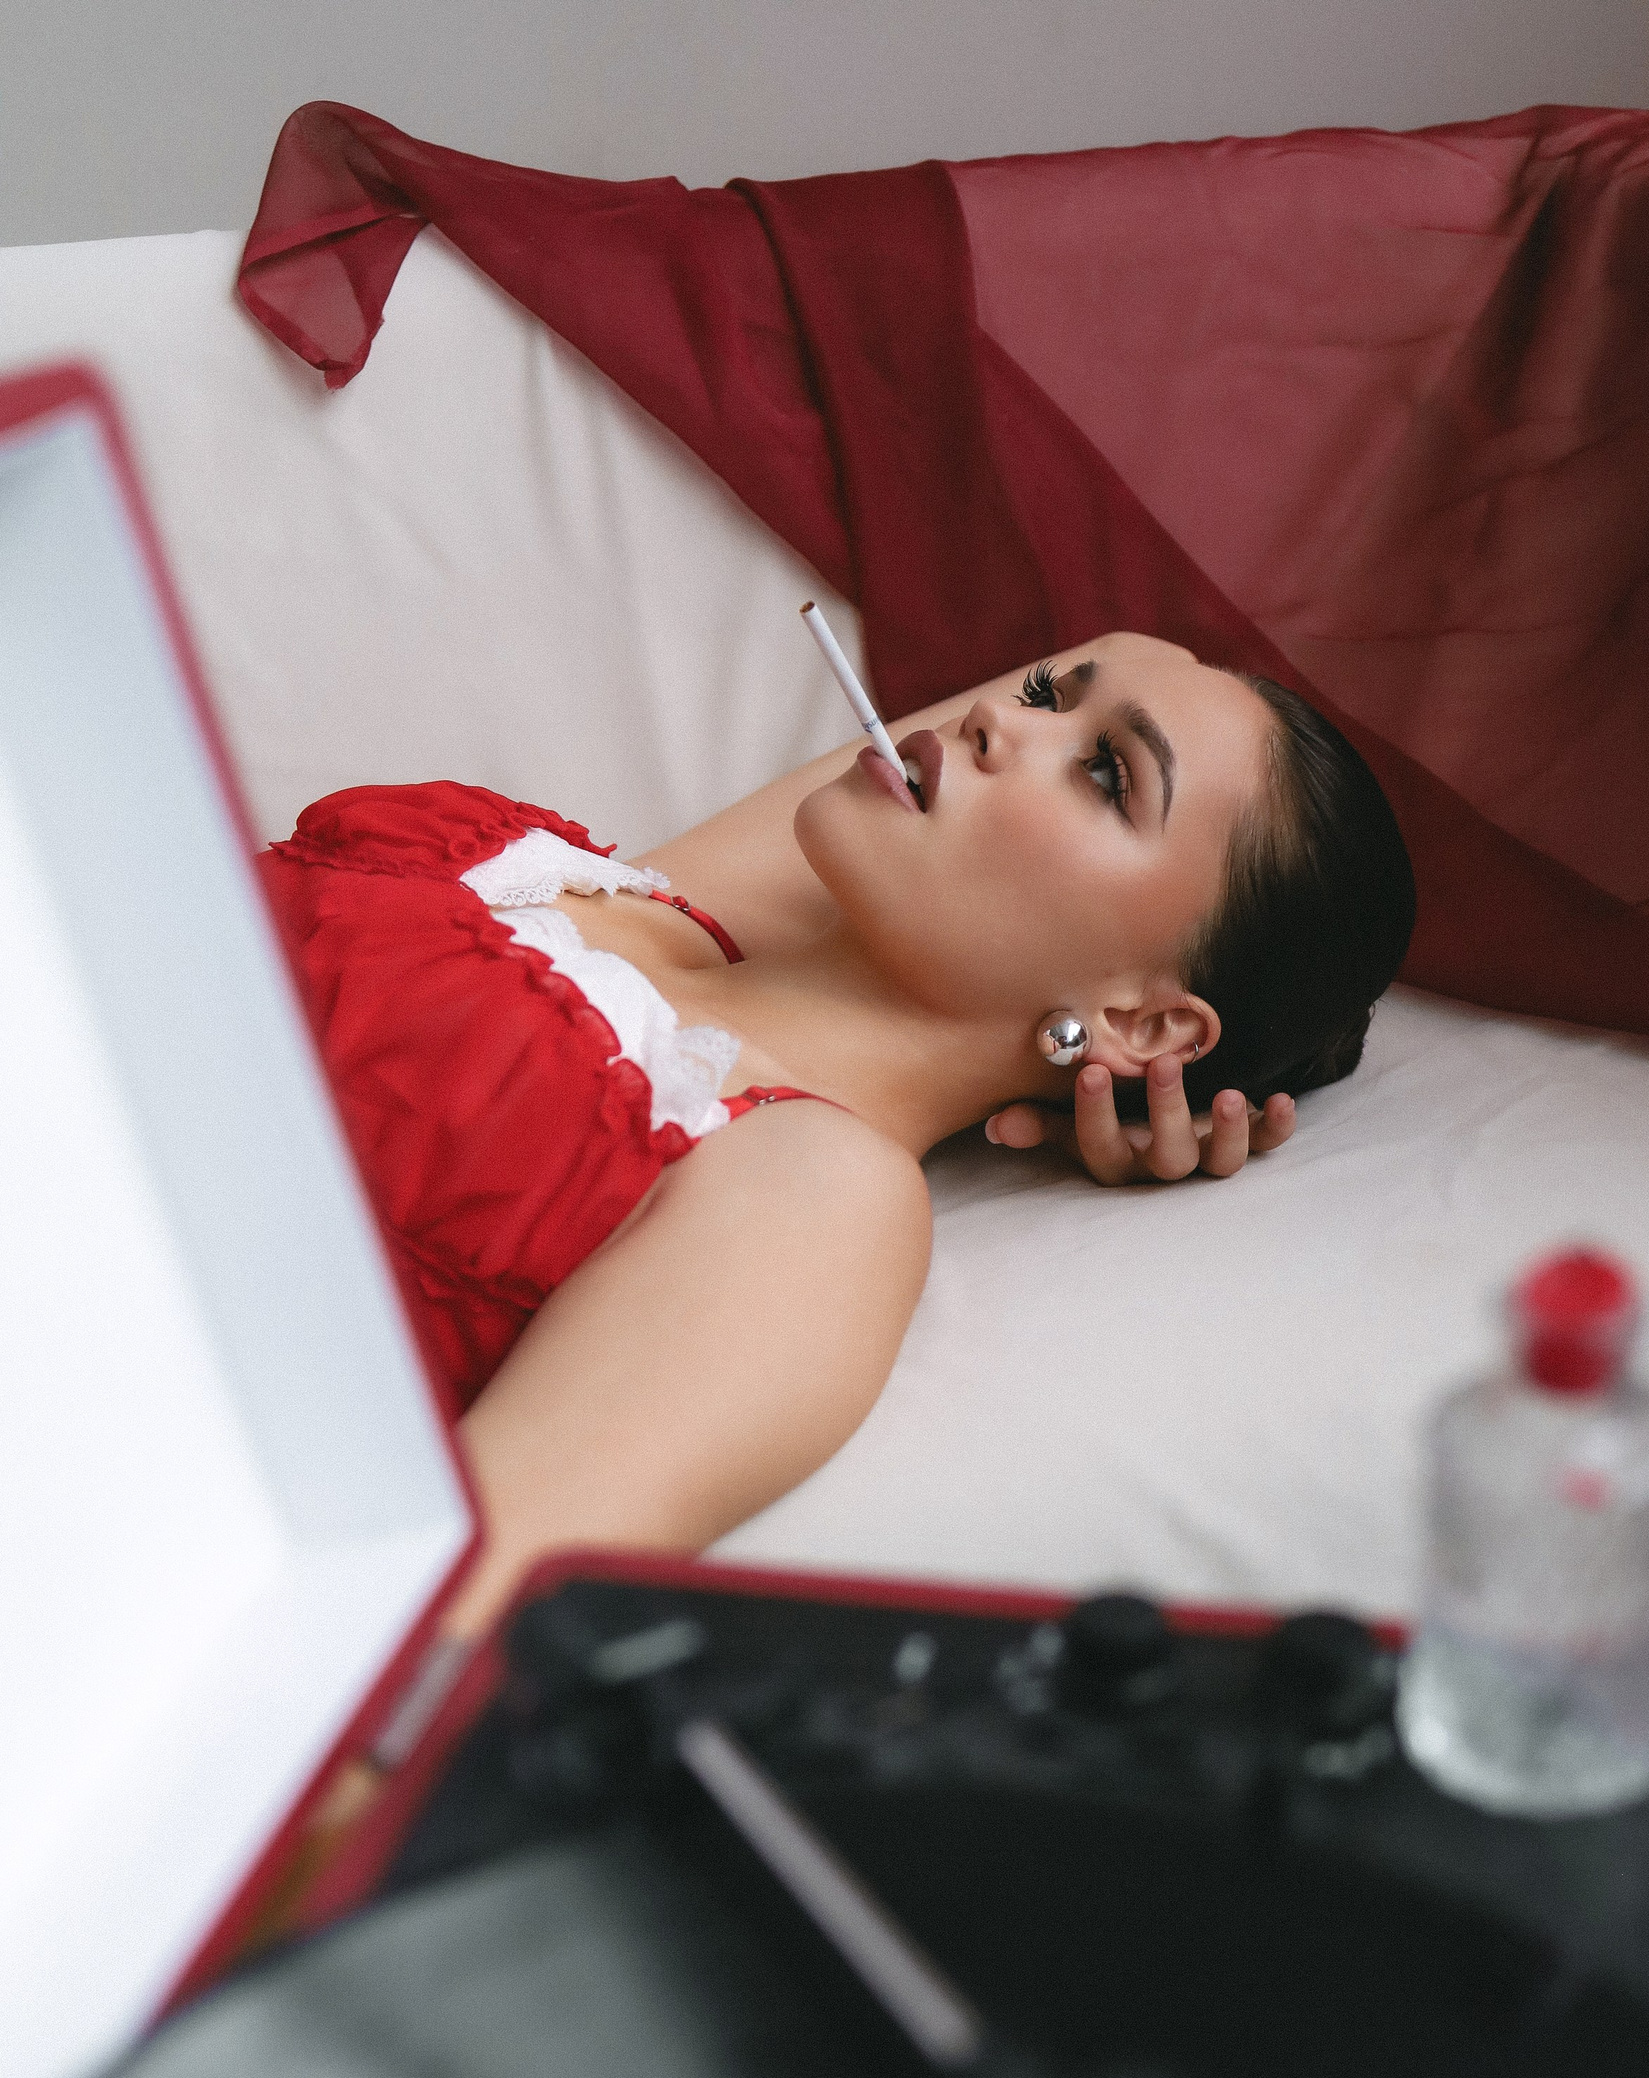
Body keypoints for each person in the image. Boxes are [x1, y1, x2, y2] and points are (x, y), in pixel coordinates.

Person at [264, 633, 1415, 1639]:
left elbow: (432, 1634)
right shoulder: (635, 894)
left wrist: (1111, 1073)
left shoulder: (810, 1191)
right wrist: (1099, 1080)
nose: (996, 717)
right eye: (1046, 696)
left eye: (1108, 773)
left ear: (1147, 1022)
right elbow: (1127, 648)